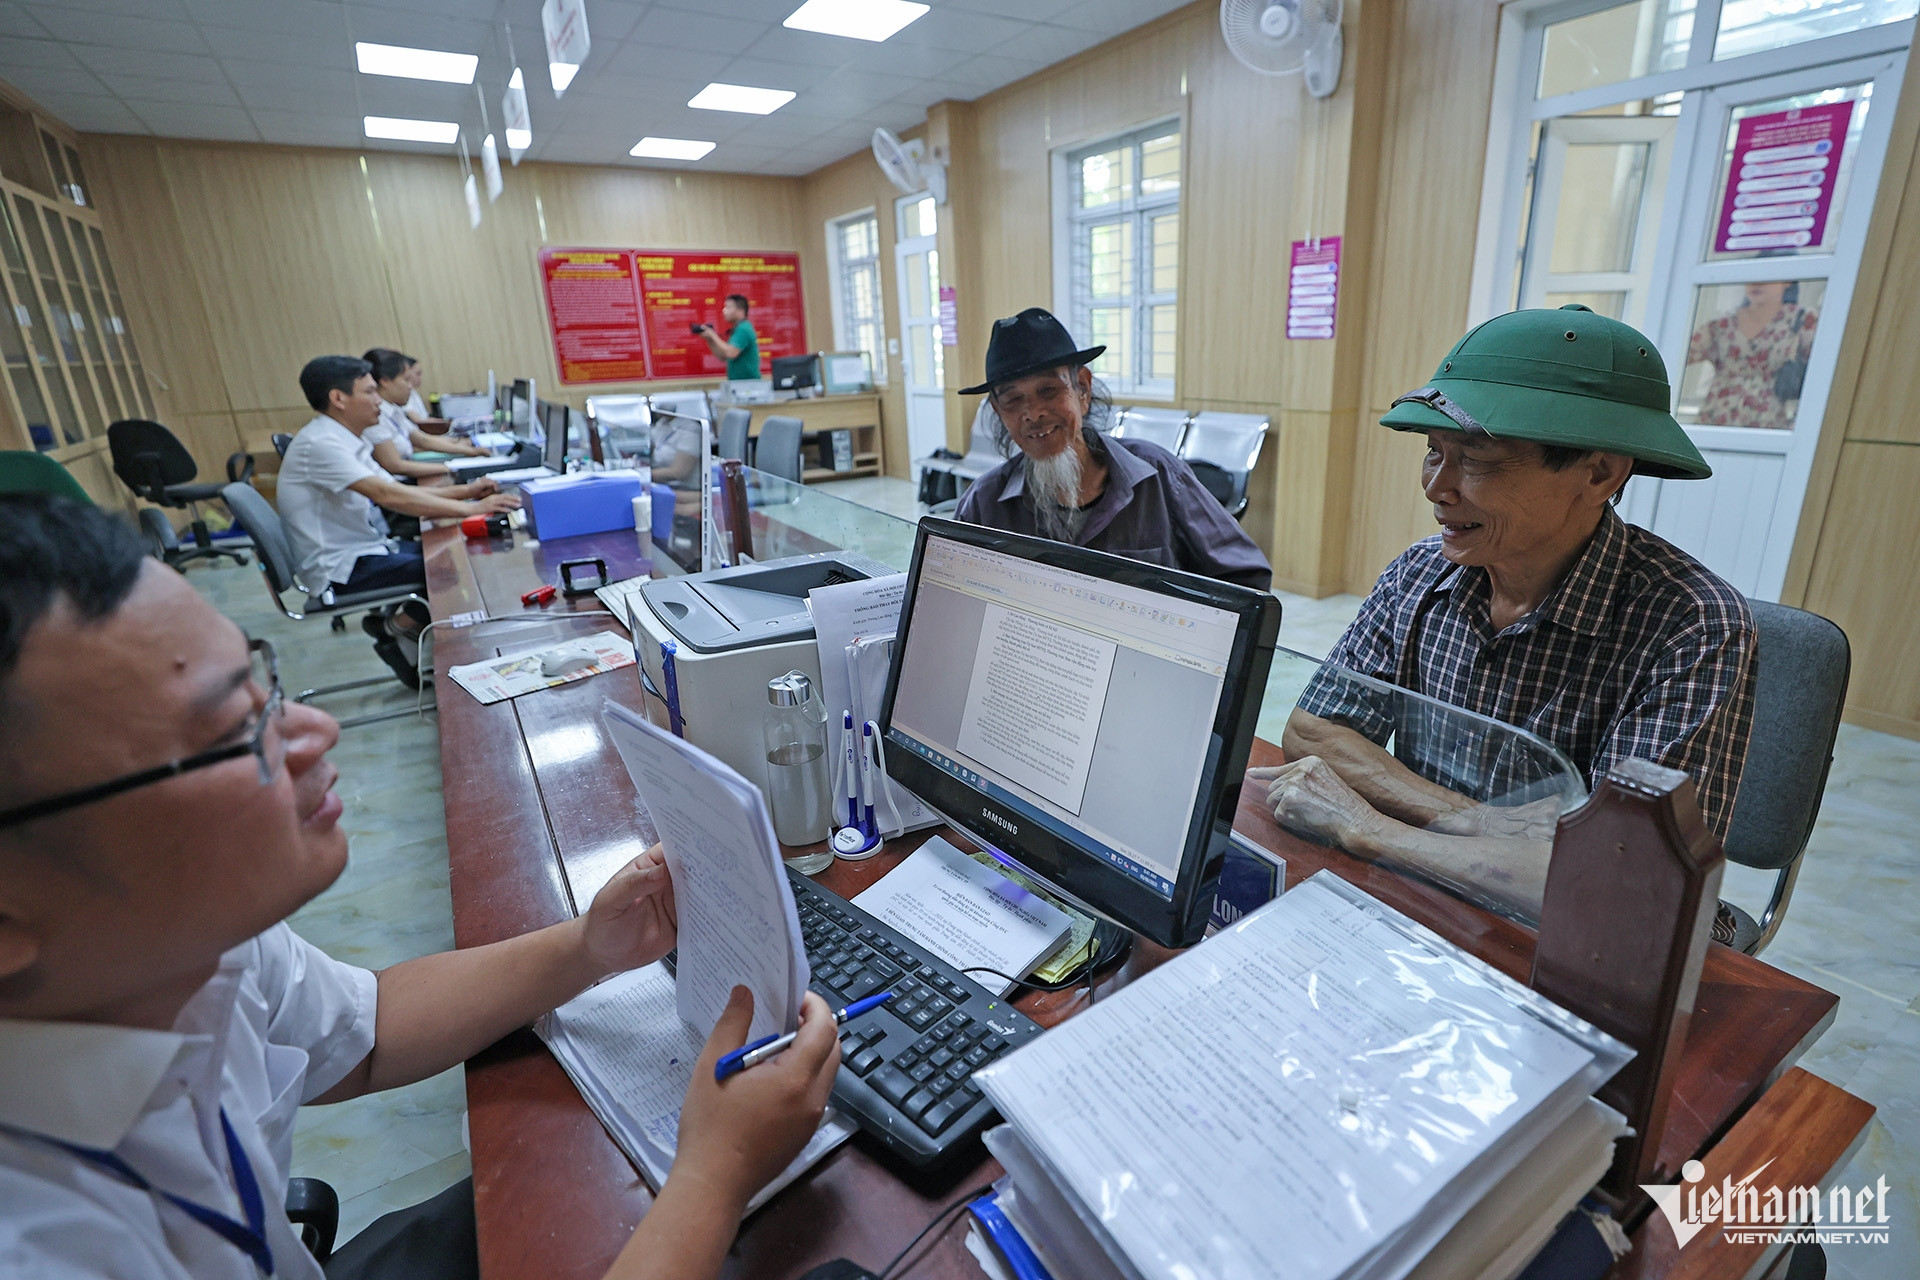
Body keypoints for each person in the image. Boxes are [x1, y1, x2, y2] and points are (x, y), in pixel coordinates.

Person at [0, 494, 842, 1280]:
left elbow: (368, 1033)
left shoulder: (182, 948)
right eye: (229, 732)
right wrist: (714, 1175)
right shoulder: (39, 1244)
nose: (315, 731)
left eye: (266, 687)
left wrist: (589, 947)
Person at [1255, 305, 1756, 923]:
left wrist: (1369, 827)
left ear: (1600, 473)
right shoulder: (1420, 571)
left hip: (1565, 941)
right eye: (1433, 452)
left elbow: (1624, 879)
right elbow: (1314, 732)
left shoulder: (1694, 626)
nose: (1437, 487)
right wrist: (1477, 821)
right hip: (1420, 898)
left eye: (1477, 460)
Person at [954, 307, 1272, 591]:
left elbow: (1245, 579)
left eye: (1049, 390)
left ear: (1083, 388)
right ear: (997, 411)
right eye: (1013, 399)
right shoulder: (983, 506)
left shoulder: (1159, 477)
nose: (1033, 413)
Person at [279, 356, 517, 600]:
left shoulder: (344, 438)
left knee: (456, 548)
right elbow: (388, 495)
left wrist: (467, 493)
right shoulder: (321, 444)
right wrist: (472, 509)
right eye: (370, 392)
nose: (378, 400)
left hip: (367, 548)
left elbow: (393, 487)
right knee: (451, 566)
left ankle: (403, 620)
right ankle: (403, 621)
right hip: (340, 568)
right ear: (338, 398)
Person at [1684, 281, 1817, 429]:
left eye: (1767, 277)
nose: (1757, 284)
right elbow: (1679, 355)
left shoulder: (1800, 319)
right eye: (1753, 278)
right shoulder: (1724, 323)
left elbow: (1821, 372)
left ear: (1787, 282)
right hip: (1715, 420)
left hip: (1766, 424)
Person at [360, 348, 488, 478]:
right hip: (402, 482)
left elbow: (423, 439)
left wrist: (468, 450)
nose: (410, 386)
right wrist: (451, 468)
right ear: (385, 381)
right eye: (406, 380)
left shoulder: (394, 410)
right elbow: (395, 465)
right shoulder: (375, 418)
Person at [694, 294, 760, 381]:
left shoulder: (743, 329)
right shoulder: (737, 329)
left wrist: (712, 334)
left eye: (728, 307)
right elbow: (722, 356)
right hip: (738, 384)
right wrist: (709, 339)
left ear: (741, 312)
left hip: (748, 385)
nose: (724, 310)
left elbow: (731, 353)